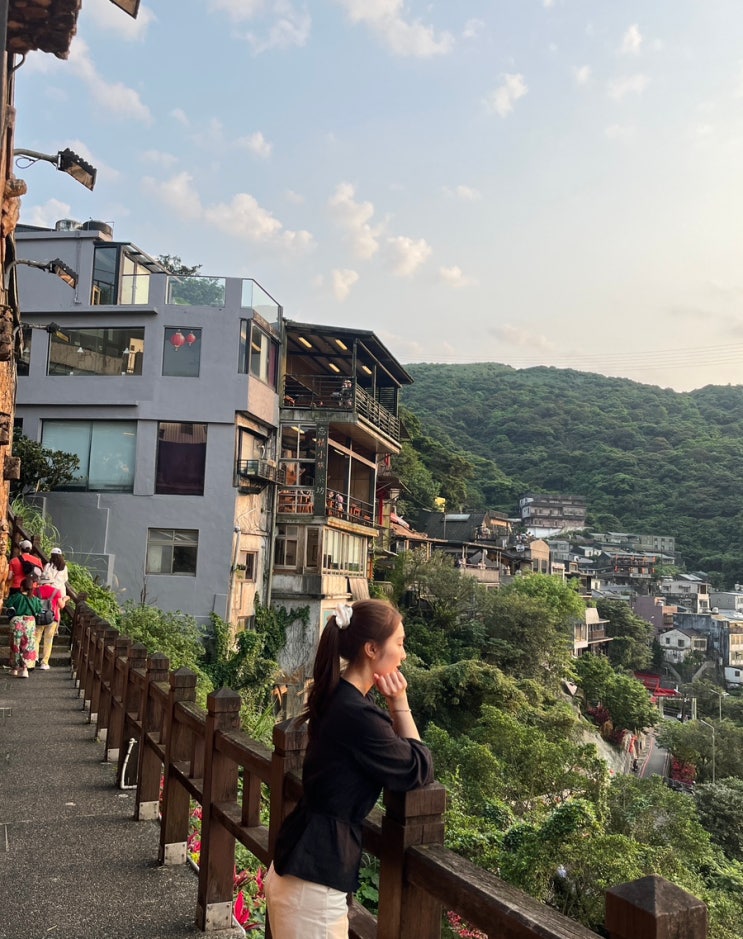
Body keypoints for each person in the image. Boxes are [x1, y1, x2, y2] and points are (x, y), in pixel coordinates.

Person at [265, 599, 433, 939]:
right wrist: (400, 704)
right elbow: (418, 767)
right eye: (399, 643)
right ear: (371, 649)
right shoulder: (356, 714)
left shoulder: (339, 696)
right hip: (313, 885)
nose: (403, 655)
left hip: (303, 871)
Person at [6, 574, 43, 678]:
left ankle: (15, 668)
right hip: (30, 623)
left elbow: (8, 605)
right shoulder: (35, 599)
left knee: (15, 644)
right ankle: (25, 669)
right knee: (27, 645)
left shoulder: (16, 597)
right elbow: (39, 610)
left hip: (16, 622)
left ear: (21, 587)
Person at [32, 573, 64, 671]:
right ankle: (44, 663)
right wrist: (65, 599)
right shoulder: (56, 591)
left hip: (39, 617)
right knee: (48, 640)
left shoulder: (36, 590)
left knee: (36, 639)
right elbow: (61, 605)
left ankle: (34, 658)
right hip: (52, 618)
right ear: (51, 582)